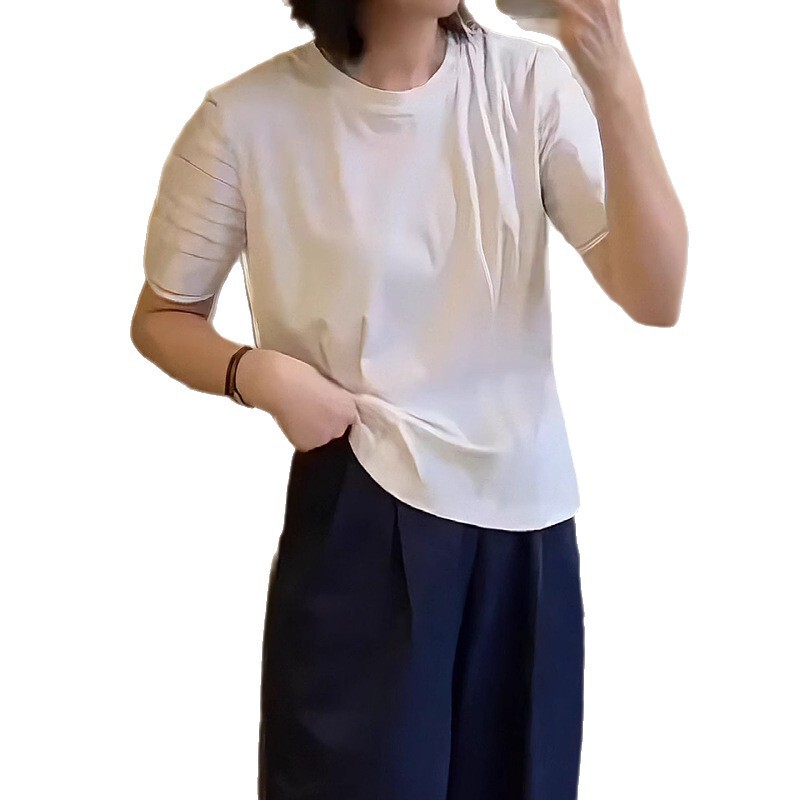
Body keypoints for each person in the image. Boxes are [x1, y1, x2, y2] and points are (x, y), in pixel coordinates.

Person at [130, 2, 661, 798]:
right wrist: (255, 374)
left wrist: (615, 80)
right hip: (361, 500)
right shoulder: (245, 119)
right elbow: (162, 315)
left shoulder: (529, 83)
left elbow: (655, 293)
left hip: (529, 516)